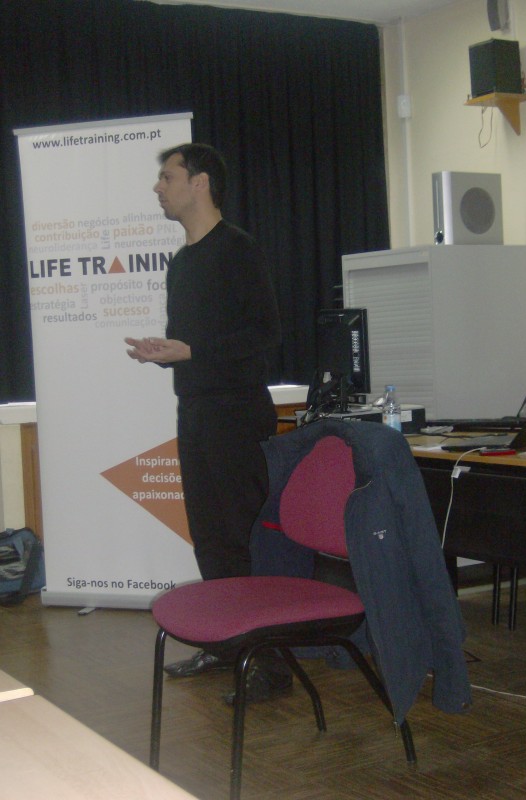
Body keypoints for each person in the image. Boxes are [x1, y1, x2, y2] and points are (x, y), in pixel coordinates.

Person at [125, 143, 290, 702]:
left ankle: (269, 664)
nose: (158, 187)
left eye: (167, 177)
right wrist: (166, 352)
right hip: (195, 411)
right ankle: (227, 647)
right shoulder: (181, 262)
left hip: (236, 414)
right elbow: (194, 345)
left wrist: (192, 351)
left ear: (200, 183)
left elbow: (264, 334)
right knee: (210, 538)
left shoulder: (238, 249)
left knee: (241, 539)